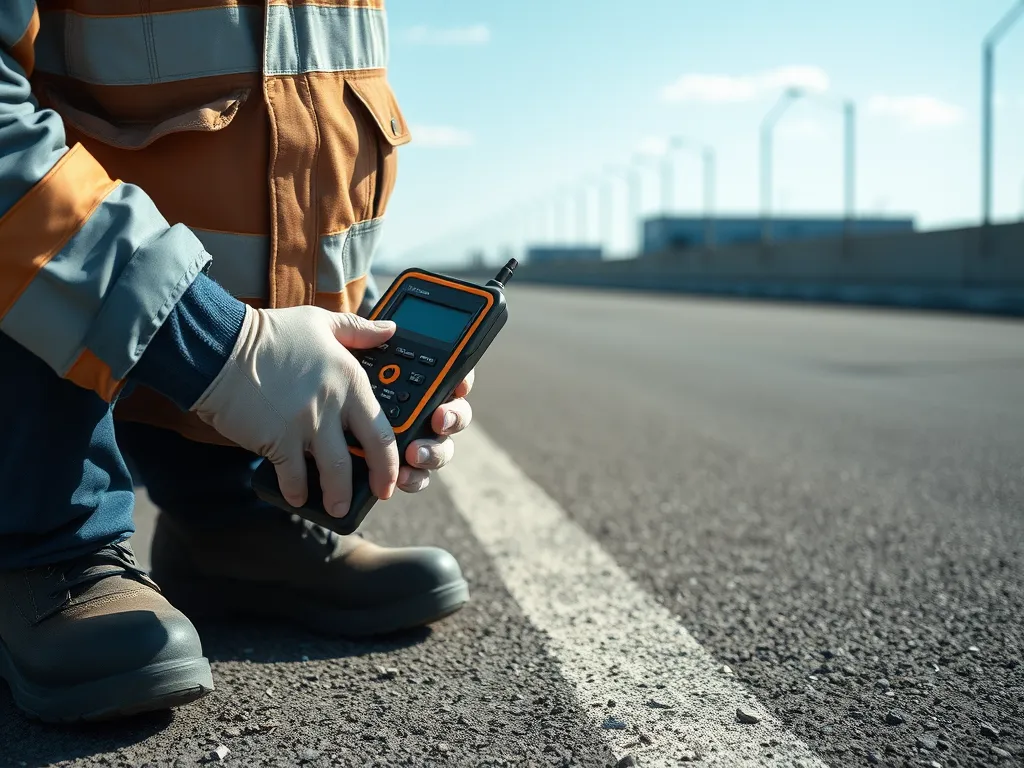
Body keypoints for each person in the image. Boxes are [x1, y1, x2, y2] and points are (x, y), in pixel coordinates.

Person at [0, 1, 475, 722]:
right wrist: (223, 347)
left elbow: (304, 135)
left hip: (210, 394)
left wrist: (356, 343)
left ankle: (226, 517)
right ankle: (41, 540)